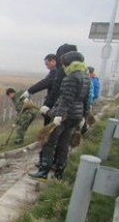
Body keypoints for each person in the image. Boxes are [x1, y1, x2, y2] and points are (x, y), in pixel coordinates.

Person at [29, 51, 90, 180]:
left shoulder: (71, 78)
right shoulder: (85, 77)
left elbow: (65, 98)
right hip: (76, 115)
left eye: (64, 64)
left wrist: (58, 115)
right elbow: (86, 99)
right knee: (64, 143)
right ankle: (59, 171)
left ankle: (44, 170)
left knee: (49, 141)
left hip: (64, 116)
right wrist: (84, 115)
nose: (63, 67)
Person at [20, 54, 57, 126]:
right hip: (55, 101)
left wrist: (29, 91)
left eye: (47, 64)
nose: (46, 67)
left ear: (53, 61)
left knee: (49, 122)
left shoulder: (55, 72)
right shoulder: (58, 71)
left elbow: (45, 82)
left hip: (54, 102)